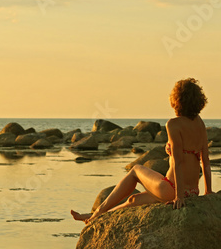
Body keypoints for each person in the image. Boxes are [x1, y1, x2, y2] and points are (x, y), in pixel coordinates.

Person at [71, 78, 213, 224]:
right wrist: (208, 191)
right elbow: (206, 162)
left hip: (172, 189)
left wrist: (179, 197)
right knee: (133, 200)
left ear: (177, 100)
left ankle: (98, 212)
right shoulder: (199, 123)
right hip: (193, 192)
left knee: (135, 170)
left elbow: (178, 162)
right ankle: (94, 218)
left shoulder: (173, 124)